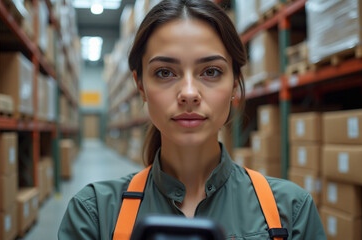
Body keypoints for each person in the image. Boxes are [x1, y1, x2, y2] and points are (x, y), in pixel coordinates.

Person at [58, 0, 327, 239]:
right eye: (165, 73)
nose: (188, 93)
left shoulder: (291, 212)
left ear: (235, 84)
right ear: (140, 86)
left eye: (211, 71)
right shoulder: (94, 215)